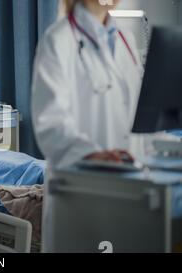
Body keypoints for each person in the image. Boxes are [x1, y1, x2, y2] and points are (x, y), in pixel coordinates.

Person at [31, 0, 143, 252]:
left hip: (130, 182)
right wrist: (91, 153)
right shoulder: (58, 40)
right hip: (80, 187)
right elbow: (51, 123)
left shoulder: (126, 38)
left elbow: (138, 109)